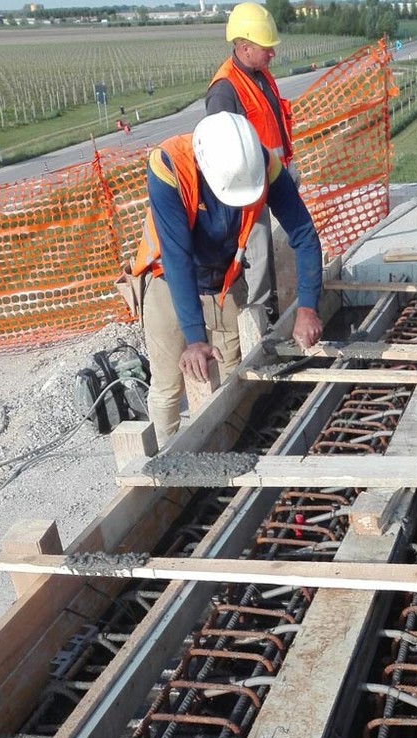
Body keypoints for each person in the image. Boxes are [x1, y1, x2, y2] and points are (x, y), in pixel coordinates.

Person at [131, 111, 322, 444]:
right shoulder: (169, 166)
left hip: (225, 281)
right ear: (205, 167)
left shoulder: (260, 164)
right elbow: (177, 257)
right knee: (168, 385)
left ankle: (228, 455)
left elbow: (304, 233)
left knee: (234, 376)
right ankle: (167, 470)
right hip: (168, 281)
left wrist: (307, 306)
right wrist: (194, 337)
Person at [206, 1, 295, 318]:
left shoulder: (261, 75)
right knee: (257, 250)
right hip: (250, 188)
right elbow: (221, 153)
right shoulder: (225, 90)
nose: (272, 54)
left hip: (276, 176)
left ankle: (284, 298)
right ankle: (260, 313)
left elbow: (274, 125)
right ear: (243, 47)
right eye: (266, 48)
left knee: (282, 243)